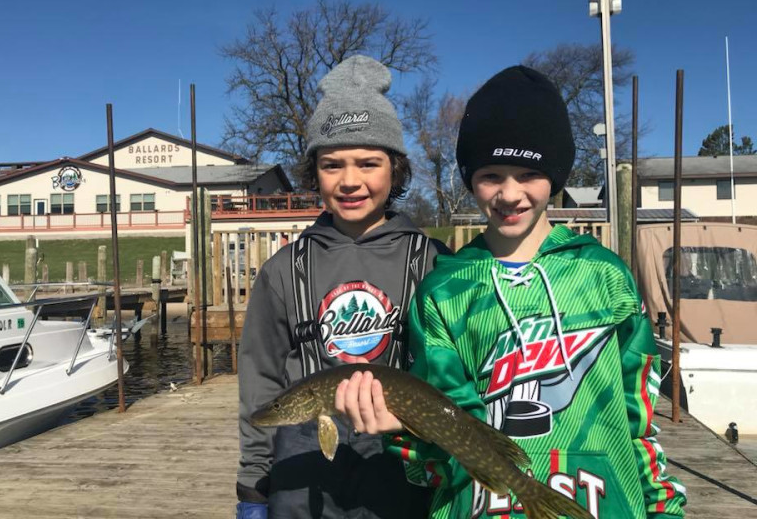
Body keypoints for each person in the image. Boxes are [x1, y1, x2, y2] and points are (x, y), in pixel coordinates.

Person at [336, 65, 687, 518]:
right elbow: (438, 458)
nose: (509, 192)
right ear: (469, 177)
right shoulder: (443, 291)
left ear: (556, 174)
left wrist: (664, 509)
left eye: (528, 173)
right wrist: (405, 432)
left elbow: (638, 421)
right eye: (491, 175)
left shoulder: (606, 276)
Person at [236, 55, 450, 519]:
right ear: (314, 173)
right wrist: (253, 485)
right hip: (303, 469)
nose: (350, 181)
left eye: (369, 163)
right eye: (332, 165)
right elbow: (261, 385)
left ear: (395, 169)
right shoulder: (281, 270)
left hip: (401, 463)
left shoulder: (435, 263)